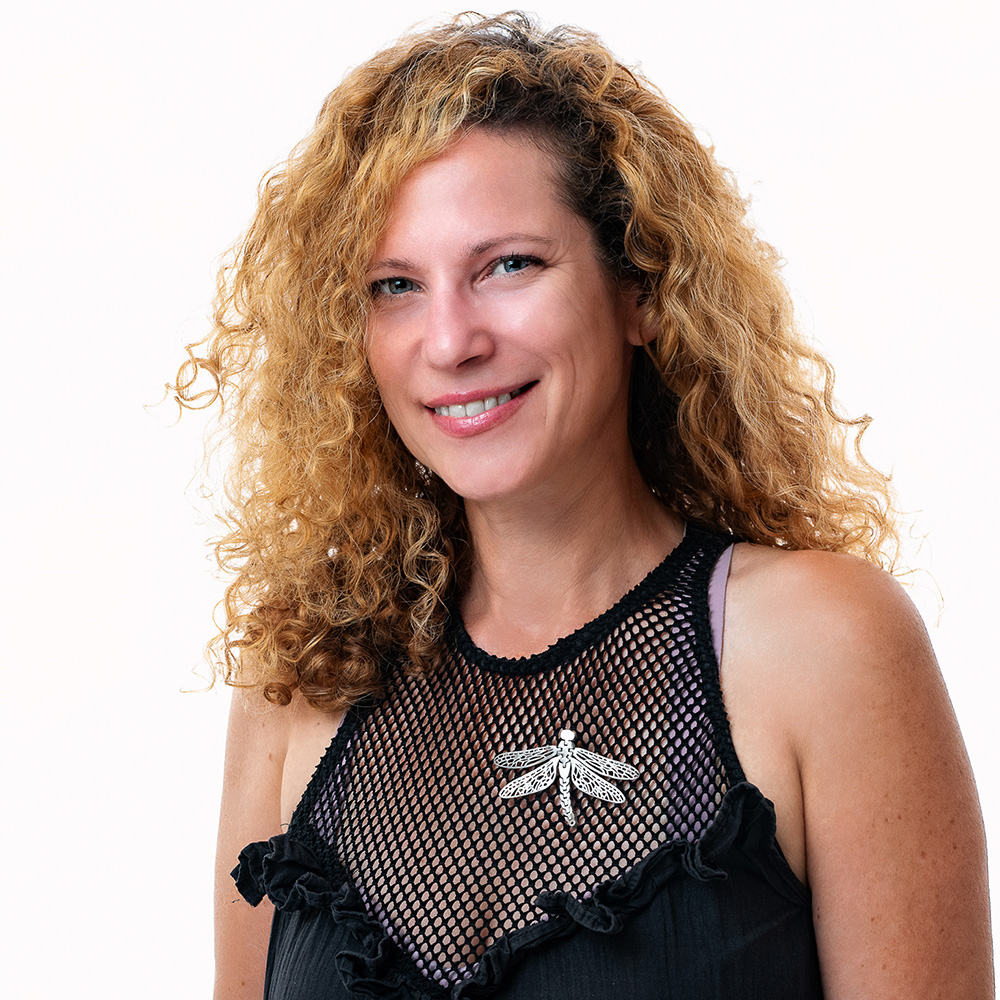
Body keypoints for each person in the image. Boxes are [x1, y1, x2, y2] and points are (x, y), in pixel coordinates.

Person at [174, 12, 992, 999]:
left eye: (508, 265)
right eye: (395, 286)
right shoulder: (305, 679)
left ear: (640, 291)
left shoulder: (822, 644)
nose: (450, 340)